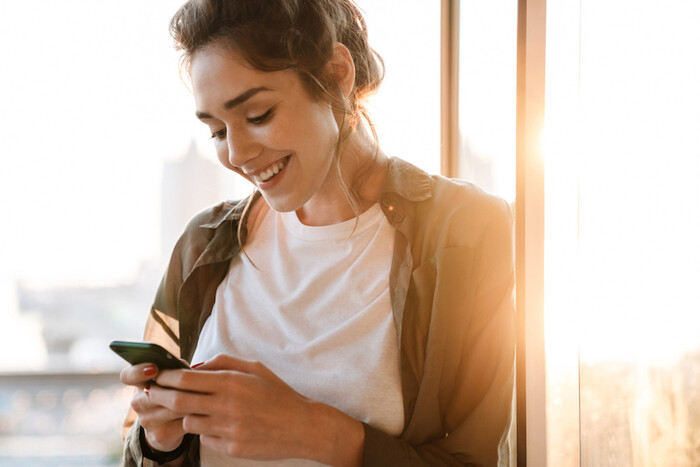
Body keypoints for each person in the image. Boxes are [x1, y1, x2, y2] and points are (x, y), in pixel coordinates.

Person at [119, 0, 515, 465]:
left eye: (258, 114)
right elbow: (139, 449)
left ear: (336, 75)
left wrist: (317, 432)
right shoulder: (204, 244)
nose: (237, 153)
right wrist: (159, 442)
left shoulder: (464, 231)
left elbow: (479, 457)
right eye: (217, 131)